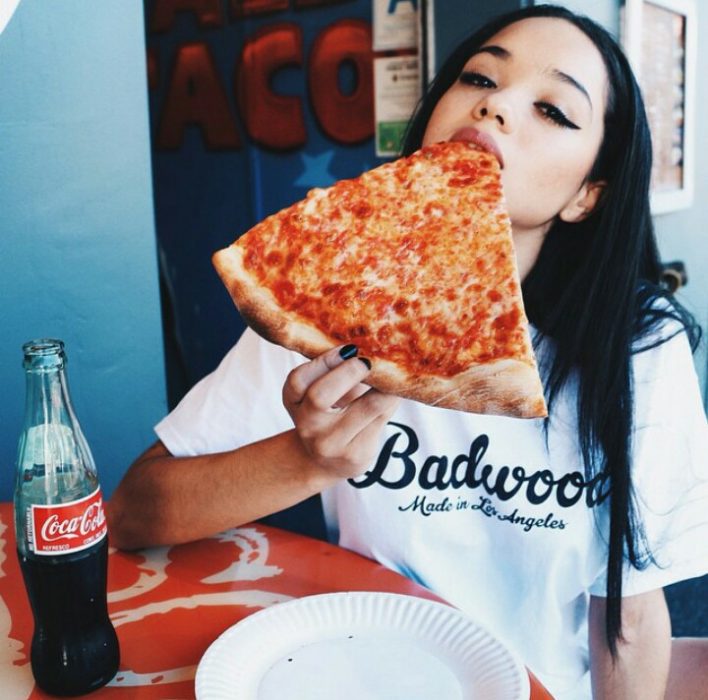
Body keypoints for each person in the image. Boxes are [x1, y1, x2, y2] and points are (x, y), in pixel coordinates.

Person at [107, 5, 708, 698]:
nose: (496, 104)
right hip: (364, 668)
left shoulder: (640, 346)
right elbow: (133, 513)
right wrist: (304, 460)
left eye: (553, 110)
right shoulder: (330, 296)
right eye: (480, 76)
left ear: (587, 196)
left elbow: (628, 621)